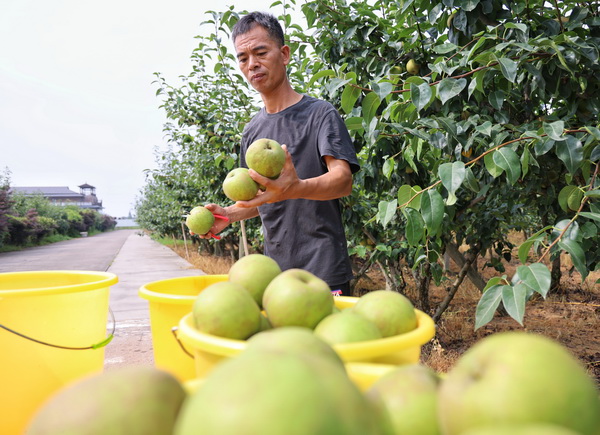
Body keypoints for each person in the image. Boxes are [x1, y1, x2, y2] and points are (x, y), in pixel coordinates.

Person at [200, 11, 359, 296]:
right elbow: (261, 198)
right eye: (243, 58)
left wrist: (296, 188)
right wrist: (227, 214)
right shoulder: (252, 131)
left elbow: (343, 181)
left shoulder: (320, 114)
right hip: (273, 274)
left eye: (260, 52)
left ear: (284, 54)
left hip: (322, 269)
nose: (252, 64)